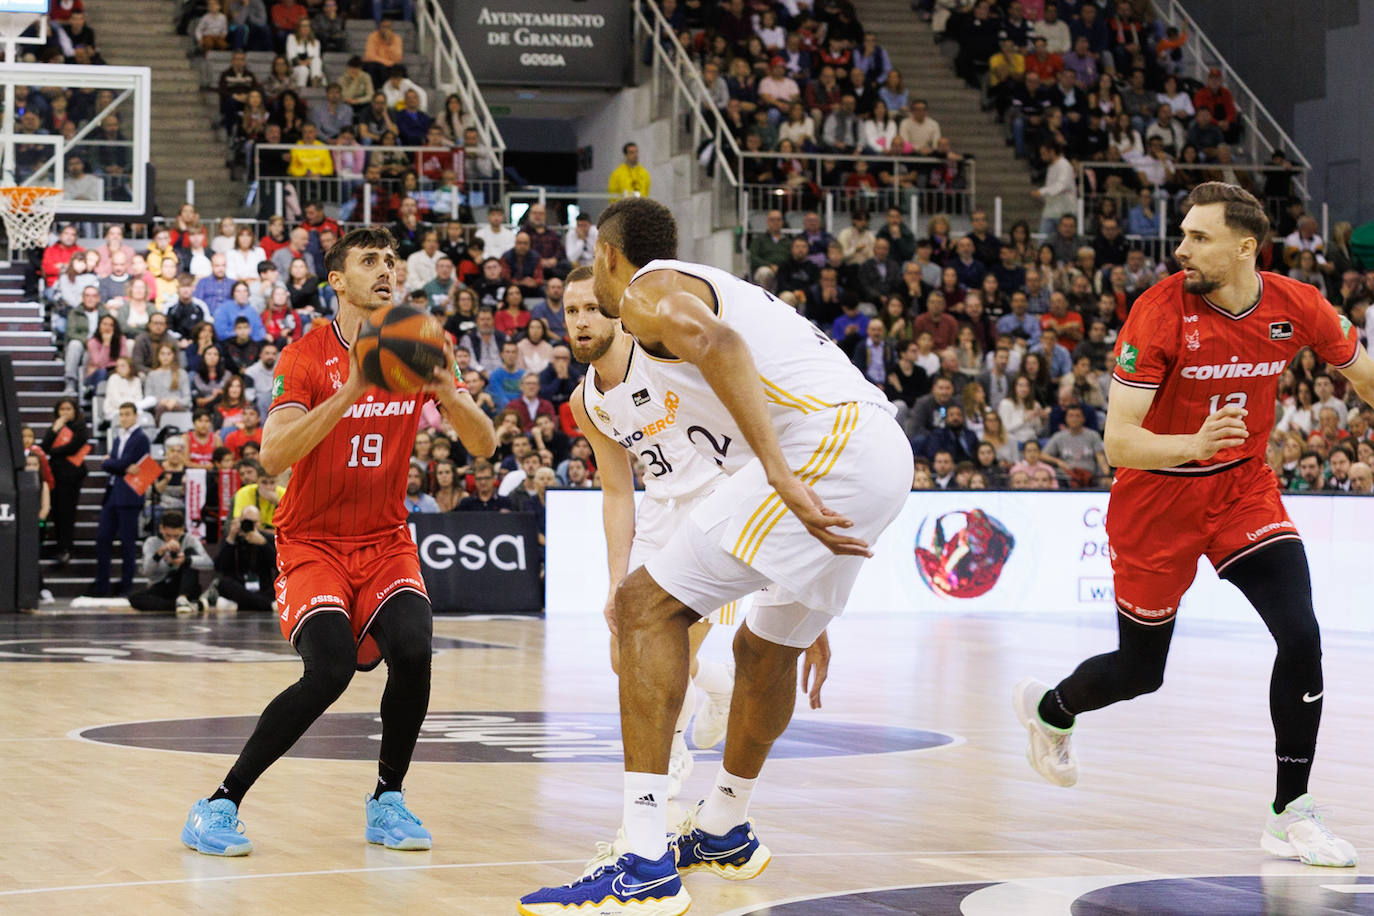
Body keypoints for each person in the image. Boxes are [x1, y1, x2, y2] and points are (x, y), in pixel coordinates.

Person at [520, 198, 909, 914]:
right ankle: (725, 825)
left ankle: (642, 860)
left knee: (642, 607)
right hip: (873, 449)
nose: (588, 310)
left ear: (608, 256)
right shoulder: (682, 295)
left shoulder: (645, 292)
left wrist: (786, 476)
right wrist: (789, 548)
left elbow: (722, 348)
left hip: (824, 449)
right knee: (766, 649)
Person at [1013, 183, 1374, 868]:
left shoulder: (1297, 305)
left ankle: (1289, 810)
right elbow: (1118, 443)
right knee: (1141, 672)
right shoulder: (1158, 313)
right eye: (1182, 234)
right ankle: (1052, 710)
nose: (1180, 249)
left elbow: (1364, 378)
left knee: (1301, 636)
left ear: (1246, 247)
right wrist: (1194, 445)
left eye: (1198, 238)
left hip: (1243, 493)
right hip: (1157, 502)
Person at [180, 228, 496, 858]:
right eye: (370, 261)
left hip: (384, 540)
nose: (387, 270)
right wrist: (354, 387)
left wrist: (445, 393)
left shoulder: (423, 342)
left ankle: (388, 799)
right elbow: (272, 455)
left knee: (414, 646)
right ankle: (218, 803)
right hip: (312, 542)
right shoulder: (302, 357)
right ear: (337, 281)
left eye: (391, 261)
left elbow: (483, 445)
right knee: (328, 671)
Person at [561, 266, 763, 866]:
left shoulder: (664, 356)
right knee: (625, 653)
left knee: (676, 643)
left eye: (591, 310)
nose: (580, 321)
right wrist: (614, 580)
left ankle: (664, 783)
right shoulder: (586, 400)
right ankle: (718, 695)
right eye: (571, 311)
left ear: (618, 312)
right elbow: (618, 492)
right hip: (659, 509)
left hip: (719, 503)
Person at [91, 403, 150, 597]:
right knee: (102, 539)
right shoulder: (118, 438)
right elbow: (121, 465)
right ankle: (102, 585)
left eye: (127, 414)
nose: (124, 418)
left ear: (135, 416)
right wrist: (115, 465)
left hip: (130, 495)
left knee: (127, 543)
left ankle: (126, 586)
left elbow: (120, 463)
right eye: (121, 415)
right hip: (113, 493)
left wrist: (110, 463)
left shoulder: (141, 438)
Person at [128, 510, 212, 614]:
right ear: (161, 528)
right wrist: (160, 553)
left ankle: (183, 599)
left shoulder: (190, 540)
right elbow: (146, 571)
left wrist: (186, 560)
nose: (172, 540)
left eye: (176, 536)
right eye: (168, 535)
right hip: (163, 585)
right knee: (135, 598)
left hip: (186, 585)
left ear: (182, 530)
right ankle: (186, 605)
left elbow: (209, 563)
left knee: (190, 552)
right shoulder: (152, 542)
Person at [40, 398, 90, 566]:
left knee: (67, 513)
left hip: (72, 477)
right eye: (62, 409)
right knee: (57, 512)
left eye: (69, 409)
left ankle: (67, 547)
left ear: (75, 410)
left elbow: (74, 446)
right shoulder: (56, 426)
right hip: (55, 476)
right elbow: (43, 447)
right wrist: (55, 428)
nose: (65, 412)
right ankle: (59, 546)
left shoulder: (80, 427)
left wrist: (54, 452)